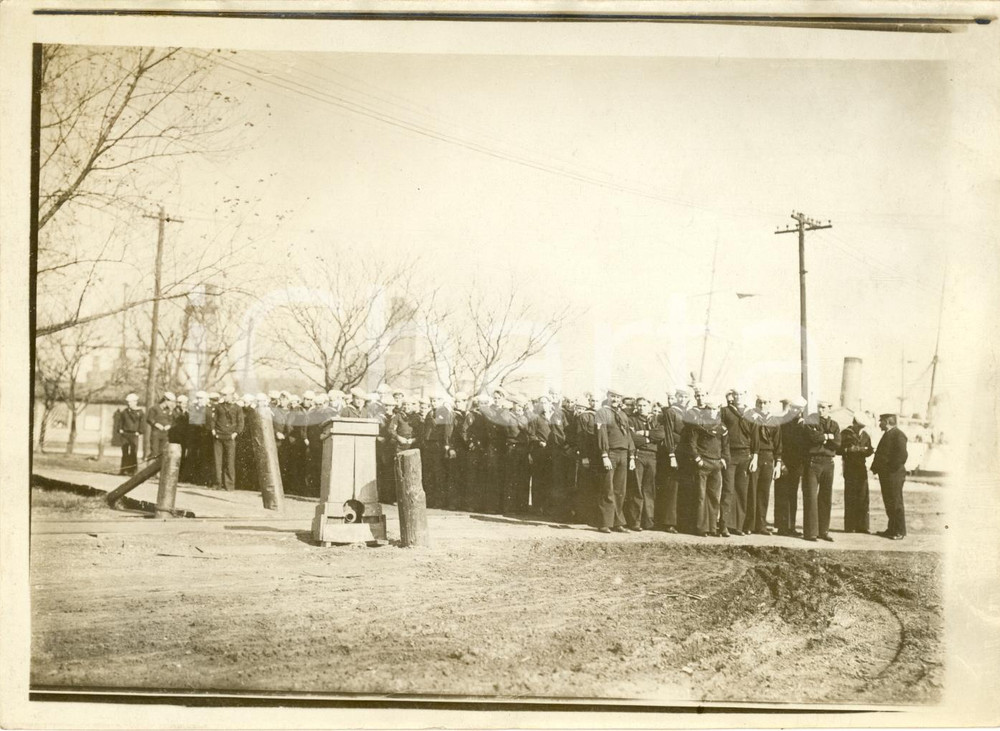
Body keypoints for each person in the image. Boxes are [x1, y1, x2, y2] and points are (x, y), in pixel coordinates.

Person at [687, 394, 730, 537]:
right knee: (700, 496)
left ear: (718, 410)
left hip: (716, 465)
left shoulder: (722, 426)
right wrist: (697, 459)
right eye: (709, 409)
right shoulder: (699, 424)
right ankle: (701, 528)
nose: (712, 411)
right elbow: (692, 443)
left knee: (714, 497)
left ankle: (712, 528)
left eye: (715, 409)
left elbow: (726, 446)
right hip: (703, 463)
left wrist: (724, 460)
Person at [594, 388, 636, 534]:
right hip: (610, 453)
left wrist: (631, 456)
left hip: (623, 455)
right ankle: (604, 523)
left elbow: (628, 436)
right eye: (613, 396)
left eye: (618, 397)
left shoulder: (622, 414)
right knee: (607, 489)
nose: (615, 399)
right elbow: (602, 435)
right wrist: (604, 455)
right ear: (608, 396)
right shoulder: (602, 412)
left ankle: (618, 522)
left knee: (620, 490)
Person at [802, 399, 841, 542]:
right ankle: (810, 533)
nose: (821, 410)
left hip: (828, 463)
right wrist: (827, 437)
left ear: (829, 408)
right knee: (811, 497)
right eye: (819, 407)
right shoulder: (811, 422)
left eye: (824, 408)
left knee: (826, 497)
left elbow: (837, 443)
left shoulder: (834, 424)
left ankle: (823, 531)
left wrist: (823, 438)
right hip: (813, 462)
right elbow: (811, 438)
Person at [720, 389, 758, 536]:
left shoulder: (751, 414)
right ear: (732, 396)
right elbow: (720, 433)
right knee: (728, 490)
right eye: (736, 394)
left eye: (741, 394)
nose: (738, 397)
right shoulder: (725, 411)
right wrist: (722, 455)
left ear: (745, 395)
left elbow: (755, 437)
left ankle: (738, 526)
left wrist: (754, 457)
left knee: (742, 491)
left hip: (745, 456)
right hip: (730, 454)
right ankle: (724, 525)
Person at [745, 396, 782, 535]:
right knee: (752, 490)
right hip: (754, 456)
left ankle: (761, 525)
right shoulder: (751, 417)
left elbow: (778, 444)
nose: (762, 405)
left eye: (765, 402)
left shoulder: (775, 421)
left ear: (770, 404)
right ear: (756, 403)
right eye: (760, 402)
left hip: (768, 457)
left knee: (764, 492)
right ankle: (749, 525)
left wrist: (778, 464)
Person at [626, 396, 661, 531]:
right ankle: (635, 522)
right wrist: (649, 439)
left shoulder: (655, 419)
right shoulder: (632, 420)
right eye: (639, 405)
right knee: (637, 488)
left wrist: (646, 433)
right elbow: (633, 438)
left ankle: (648, 522)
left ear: (649, 406)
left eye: (644, 405)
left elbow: (661, 434)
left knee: (649, 489)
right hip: (638, 455)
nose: (641, 408)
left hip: (652, 456)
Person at [655, 388, 688, 534]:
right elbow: (668, 433)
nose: (683, 399)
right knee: (672, 487)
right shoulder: (670, 412)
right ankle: (669, 522)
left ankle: (682, 521)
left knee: (683, 487)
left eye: (685, 396)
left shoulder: (687, 412)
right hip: (674, 451)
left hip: (685, 453)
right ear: (676, 397)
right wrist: (671, 454)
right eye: (680, 396)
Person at [871, 413, 909, 540]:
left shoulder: (898, 434)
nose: (879, 423)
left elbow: (902, 455)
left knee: (896, 502)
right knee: (889, 502)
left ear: (887, 421)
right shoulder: (888, 434)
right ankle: (892, 529)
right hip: (888, 475)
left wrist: (889, 469)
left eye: (881, 421)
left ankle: (899, 531)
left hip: (894, 475)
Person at [774, 397, 807, 537]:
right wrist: (780, 461)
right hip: (784, 463)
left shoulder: (802, 423)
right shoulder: (783, 421)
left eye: (799, 409)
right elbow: (779, 443)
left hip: (796, 464)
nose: (796, 411)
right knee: (782, 494)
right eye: (794, 408)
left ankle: (791, 526)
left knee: (792, 495)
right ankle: (782, 527)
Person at [839, 412, 875, 533]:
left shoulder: (865, 435)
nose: (860, 429)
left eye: (861, 427)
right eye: (858, 427)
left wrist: (867, 451)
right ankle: (850, 526)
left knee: (863, 496)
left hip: (861, 468)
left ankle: (863, 526)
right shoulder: (845, 434)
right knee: (851, 496)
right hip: (850, 467)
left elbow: (869, 449)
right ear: (854, 423)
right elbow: (838, 449)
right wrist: (850, 450)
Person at [209, 386, 245, 491]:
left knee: (230, 461)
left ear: (231, 395)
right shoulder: (218, 406)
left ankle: (229, 485)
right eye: (223, 395)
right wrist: (213, 430)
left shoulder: (238, 408)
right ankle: (218, 483)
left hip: (230, 437)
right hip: (218, 436)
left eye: (225, 395)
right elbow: (213, 419)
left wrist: (236, 433)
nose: (223, 397)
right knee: (217, 461)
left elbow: (241, 422)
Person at [116, 393, 144, 475]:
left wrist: (139, 431)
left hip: (134, 434)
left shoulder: (140, 412)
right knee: (124, 452)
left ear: (135, 402)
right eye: (128, 402)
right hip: (125, 434)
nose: (129, 404)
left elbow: (142, 423)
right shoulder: (125, 412)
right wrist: (120, 429)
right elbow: (120, 421)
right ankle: (123, 470)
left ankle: (133, 470)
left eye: (131, 402)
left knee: (133, 452)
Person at [145, 392, 175, 460]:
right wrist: (156, 424)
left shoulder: (169, 410)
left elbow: (172, 420)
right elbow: (149, 418)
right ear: (165, 400)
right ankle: (150, 469)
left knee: (162, 453)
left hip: (165, 434)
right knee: (154, 453)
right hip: (156, 433)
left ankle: (160, 470)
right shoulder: (154, 408)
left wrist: (169, 425)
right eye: (170, 401)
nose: (171, 404)